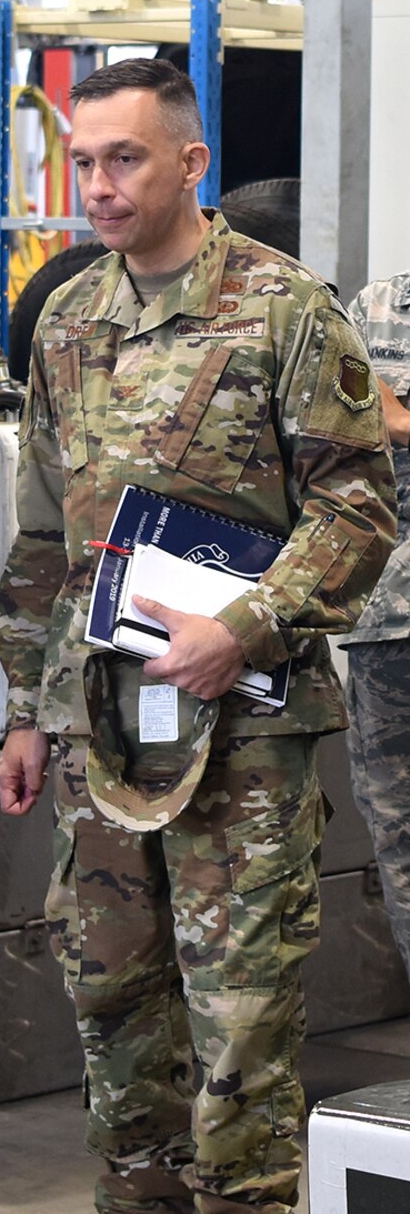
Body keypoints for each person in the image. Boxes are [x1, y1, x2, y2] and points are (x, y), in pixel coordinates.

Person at [0, 57, 396, 1214]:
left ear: (188, 160)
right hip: (101, 728)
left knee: (237, 1034)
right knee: (110, 1010)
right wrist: (24, 710)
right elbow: (39, 535)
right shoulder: (66, 318)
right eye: (82, 163)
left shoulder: (281, 309)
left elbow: (357, 507)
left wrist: (249, 626)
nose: (99, 186)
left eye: (123, 158)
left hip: (244, 737)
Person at [340, 274, 410, 978]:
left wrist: (404, 422)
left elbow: (384, 422)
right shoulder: (376, 306)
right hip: (390, 624)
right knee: (397, 831)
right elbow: (342, 427)